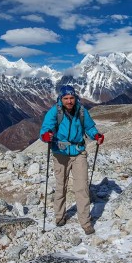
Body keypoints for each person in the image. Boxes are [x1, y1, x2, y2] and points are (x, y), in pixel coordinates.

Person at [40, 85, 104, 235]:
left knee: (81, 187)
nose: (69, 101)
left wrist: (96, 135)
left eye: (71, 98)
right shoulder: (55, 112)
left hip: (78, 151)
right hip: (60, 152)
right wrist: (45, 136)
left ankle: (85, 222)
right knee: (61, 185)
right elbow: (45, 129)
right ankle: (59, 216)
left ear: (75, 98)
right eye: (66, 98)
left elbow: (89, 127)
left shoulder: (81, 111)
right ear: (60, 99)